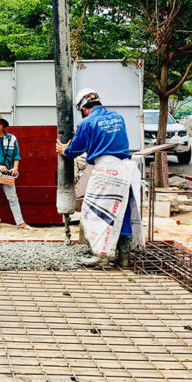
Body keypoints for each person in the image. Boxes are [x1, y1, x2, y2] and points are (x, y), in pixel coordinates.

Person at [56, 88, 141, 268]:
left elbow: (75, 149)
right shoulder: (117, 117)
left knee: (95, 213)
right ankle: (124, 257)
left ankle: (101, 256)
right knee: (122, 212)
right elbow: (108, 139)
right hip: (125, 170)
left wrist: (64, 150)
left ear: (83, 108)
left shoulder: (87, 123)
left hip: (106, 171)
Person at [0, 113, 33, 231]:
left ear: (3, 125)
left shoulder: (12, 138)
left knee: (13, 198)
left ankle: (20, 223)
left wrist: (15, 168)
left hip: (7, 174)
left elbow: (16, 155)